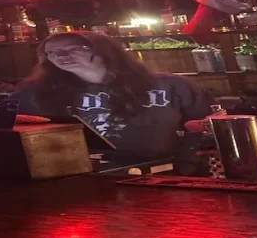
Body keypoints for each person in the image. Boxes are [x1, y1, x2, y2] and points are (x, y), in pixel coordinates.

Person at [13, 31, 214, 157]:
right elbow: (16, 135)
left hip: (162, 173)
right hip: (80, 178)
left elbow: (208, 125)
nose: (62, 56)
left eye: (74, 49)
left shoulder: (171, 85)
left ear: (106, 52)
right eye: (52, 53)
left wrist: (189, 158)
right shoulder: (34, 92)